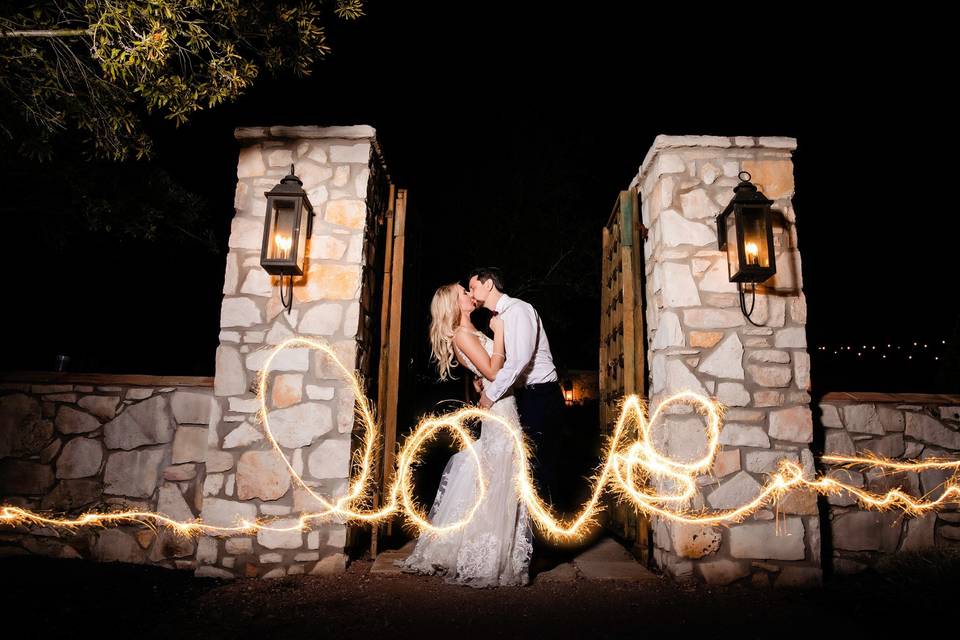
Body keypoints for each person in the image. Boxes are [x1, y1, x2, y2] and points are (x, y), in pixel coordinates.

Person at [394, 282, 533, 587]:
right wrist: (499, 335)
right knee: (499, 480)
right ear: (454, 304)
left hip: (502, 406)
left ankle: (498, 552)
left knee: (501, 479)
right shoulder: (461, 335)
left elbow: (484, 375)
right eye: (463, 292)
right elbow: (494, 371)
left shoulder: (469, 332)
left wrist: (483, 379)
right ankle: (484, 556)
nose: (470, 295)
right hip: (499, 412)